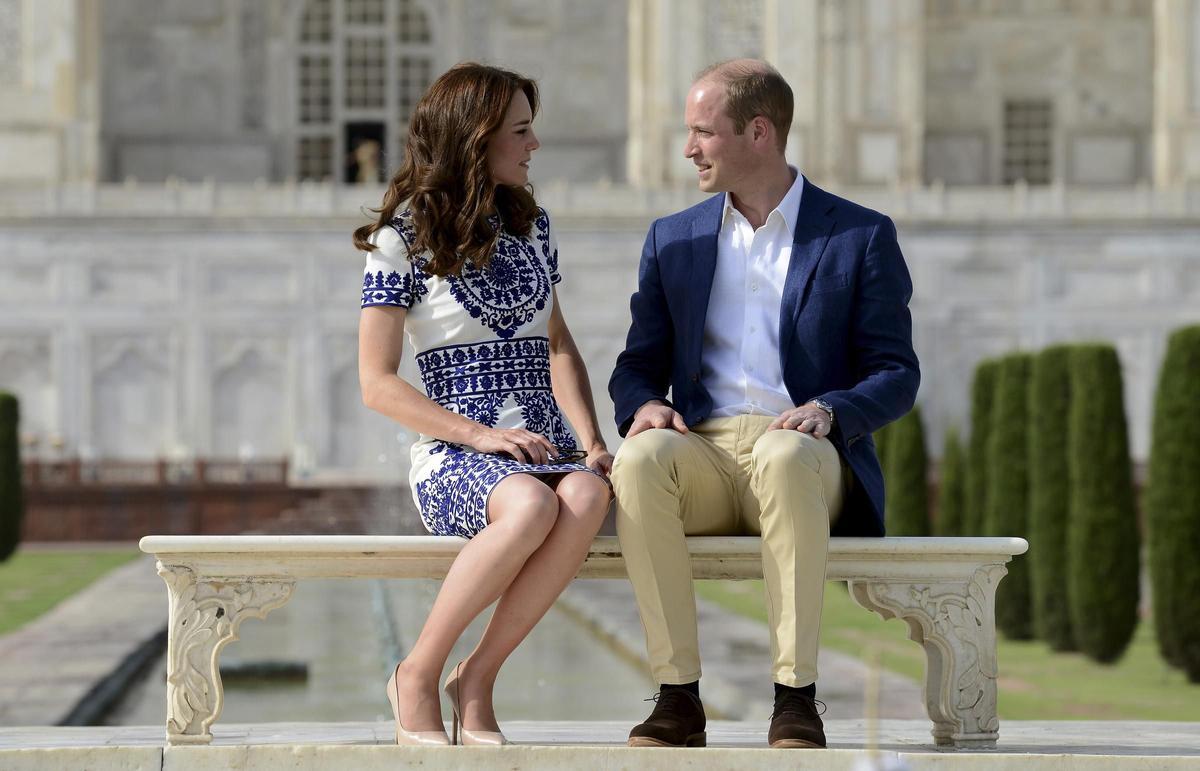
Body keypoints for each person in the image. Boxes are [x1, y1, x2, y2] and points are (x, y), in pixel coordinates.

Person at [608, 59, 919, 750]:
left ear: (758, 132)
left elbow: (896, 371)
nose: (689, 149)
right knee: (640, 458)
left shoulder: (858, 235)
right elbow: (636, 364)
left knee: (783, 453)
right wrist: (641, 408)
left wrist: (833, 409)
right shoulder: (675, 237)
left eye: (701, 132)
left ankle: (795, 697)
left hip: (807, 455)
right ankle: (678, 695)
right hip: (707, 454)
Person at [356, 62, 613, 747]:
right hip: (454, 454)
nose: (534, 146)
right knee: (528, 503)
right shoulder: (402, 239)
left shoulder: (533, 229)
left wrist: (590, 438)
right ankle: (417, 671)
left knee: (587, 496)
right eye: (521, 132)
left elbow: (560, 347)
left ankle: (476, 677)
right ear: (477, 138)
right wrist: (479, 437)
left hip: (542, 448)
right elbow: (376, 382)